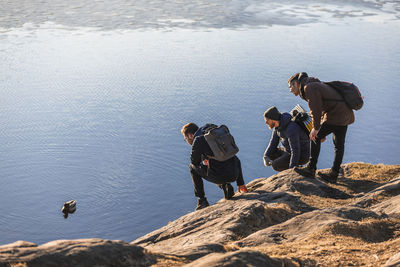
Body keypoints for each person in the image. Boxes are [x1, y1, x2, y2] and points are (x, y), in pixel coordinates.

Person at [288, 72, 354, 183]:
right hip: (345, 114)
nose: (290, 90)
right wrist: (320, 130)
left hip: (335, 114)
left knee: (314, 137)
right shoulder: (315, 85)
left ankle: (310, 169)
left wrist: (316, 128)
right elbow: (323, 107)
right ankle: (334, 174)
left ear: (296, 84)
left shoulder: (309, 88)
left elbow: (316, 109)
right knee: (339, 146)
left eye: (290, 86)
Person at [181, 123, 248, 210]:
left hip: (220, 176)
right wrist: (240, 183)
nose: (187, 141)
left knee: (192, 167)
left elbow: (194, 161)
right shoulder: (214, 136)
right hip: (234, 174)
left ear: (190, 135)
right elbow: (235, 158)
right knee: (223, 161)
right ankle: (227, 186)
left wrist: (202, 155)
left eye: (185, 138)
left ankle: (202, 200)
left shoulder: (198, 140)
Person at [263, 106, 310, 171]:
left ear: (273, 119)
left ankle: (296, 169)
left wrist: (291, 170)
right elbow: (273, 143)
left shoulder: (291, 128)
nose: (266, 122)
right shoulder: (277, 128)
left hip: (302, 155)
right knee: (271, 154)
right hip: (289, 151)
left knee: (275, 165)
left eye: (267, 120)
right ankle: (291, 166)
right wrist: (266, 156)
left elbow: (296, 150)